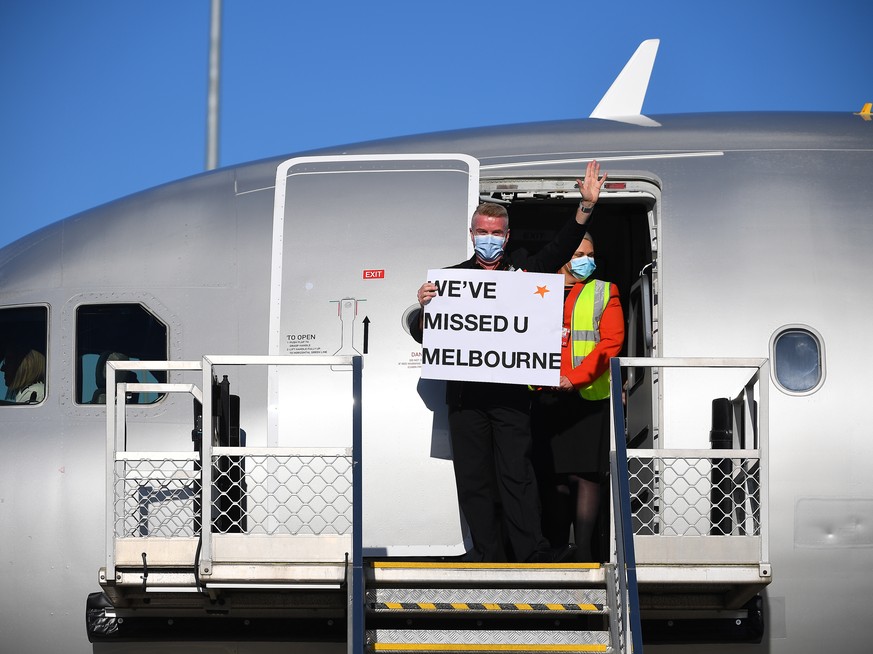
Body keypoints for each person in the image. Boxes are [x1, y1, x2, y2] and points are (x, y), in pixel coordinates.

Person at [408, 160, 608, 562]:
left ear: (507, 235)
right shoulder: (450, 280)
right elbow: (422, 332)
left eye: (496, 234)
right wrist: (424, 306)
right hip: (466, 400)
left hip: (512, 396)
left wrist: (585, 207)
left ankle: (530, 551)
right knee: (474, 479)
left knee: (517, 475)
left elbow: (561, 247)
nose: (489, 239)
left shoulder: (524, 269)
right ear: (472, 234)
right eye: (482, 232)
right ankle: (486, 552)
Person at [530, 232, 624, 562]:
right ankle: (556, 549)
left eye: (591, 253)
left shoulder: (604, 291)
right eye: (580, 252)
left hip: (587, 397)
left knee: (586, 475)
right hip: (544, 396)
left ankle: (584, 553)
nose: (587, 259)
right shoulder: (534, 291)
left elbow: (611, 343)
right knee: (552, 477)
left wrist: (575, 378)